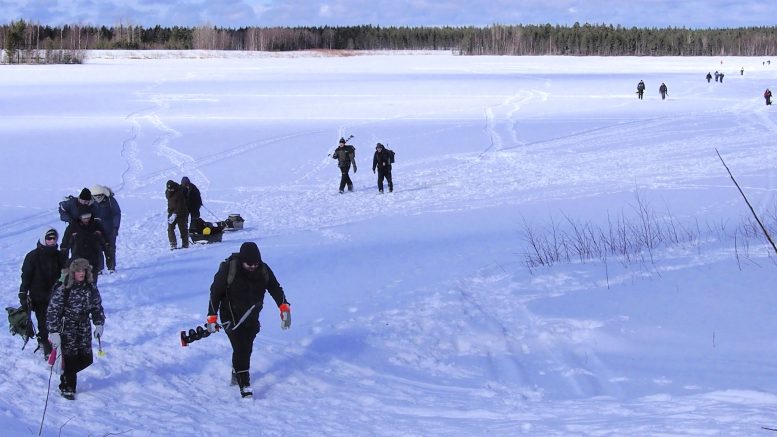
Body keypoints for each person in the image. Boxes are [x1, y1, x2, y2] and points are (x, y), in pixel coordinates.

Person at [206, 242, 291, 398]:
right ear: (242, 260)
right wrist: (212, 316)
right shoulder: (229, 269)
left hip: (252, 316)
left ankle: (236, 371)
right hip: (230, 316)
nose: (252, 267)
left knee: (247, 347)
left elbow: (275, 288)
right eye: (249, 264)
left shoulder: (263, 269)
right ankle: (244, 383)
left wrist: (284, 307)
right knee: (241, 347)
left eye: (255, 264)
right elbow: (215, 293)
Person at [46, 258, 105, 400]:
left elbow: (96, 306)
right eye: (78, 270)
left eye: (84, 270)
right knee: (70, 357)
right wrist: (53, 331)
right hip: (68, 327)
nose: (81, 273)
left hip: (84, 326)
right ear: (73, 272)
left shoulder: (90, 287)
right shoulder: (64, 289)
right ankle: (67, 386)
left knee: (86, 358)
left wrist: (99, 323)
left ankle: (66, 372)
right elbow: (53, 311)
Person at [19, 228, 66, 359]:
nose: (51, 241)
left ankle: (55, 344)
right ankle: (45, 346)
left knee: (57, 321)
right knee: (43, 322)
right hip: (38, 295)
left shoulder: (60, 255)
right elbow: (26, 276)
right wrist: (23, 293)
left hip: (56, 295)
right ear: (43, 239)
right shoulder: (32, 256)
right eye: (49, 238)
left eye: (54, 238)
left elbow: (66, 274)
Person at [61, 206, 109, 284]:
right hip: (78, 258)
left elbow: (106, 241)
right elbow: (65, 244)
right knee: (79, 283)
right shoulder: (73, 226)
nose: (87, 219)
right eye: (84, 217)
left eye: (88, 217)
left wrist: (108, 257)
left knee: (92, 283)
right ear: (80, 217)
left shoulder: (96, 224)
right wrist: (64, 261)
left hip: (94, 258)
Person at [91, 185, 121, 273]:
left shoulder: (110, 200)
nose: (98, 197)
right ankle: (99, 268)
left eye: (99, 195)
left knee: (110, 249)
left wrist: (115, 228)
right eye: (95, 195)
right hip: (96, 230)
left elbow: (116, 214)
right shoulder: (91, 202)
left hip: (109, 230)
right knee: (97, 249)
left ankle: (111, 267)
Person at [166, 180, 189, 249]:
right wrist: (171, 213)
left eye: (172, 188)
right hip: (171, 212)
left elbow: (180, 206)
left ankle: (185, 244)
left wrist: (175, 214)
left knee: (183, 229)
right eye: (169, 189)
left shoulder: (179, 193)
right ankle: (173, 244)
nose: (170, 190)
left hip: (182, 213)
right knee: (170, 229)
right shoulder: (167, 192)